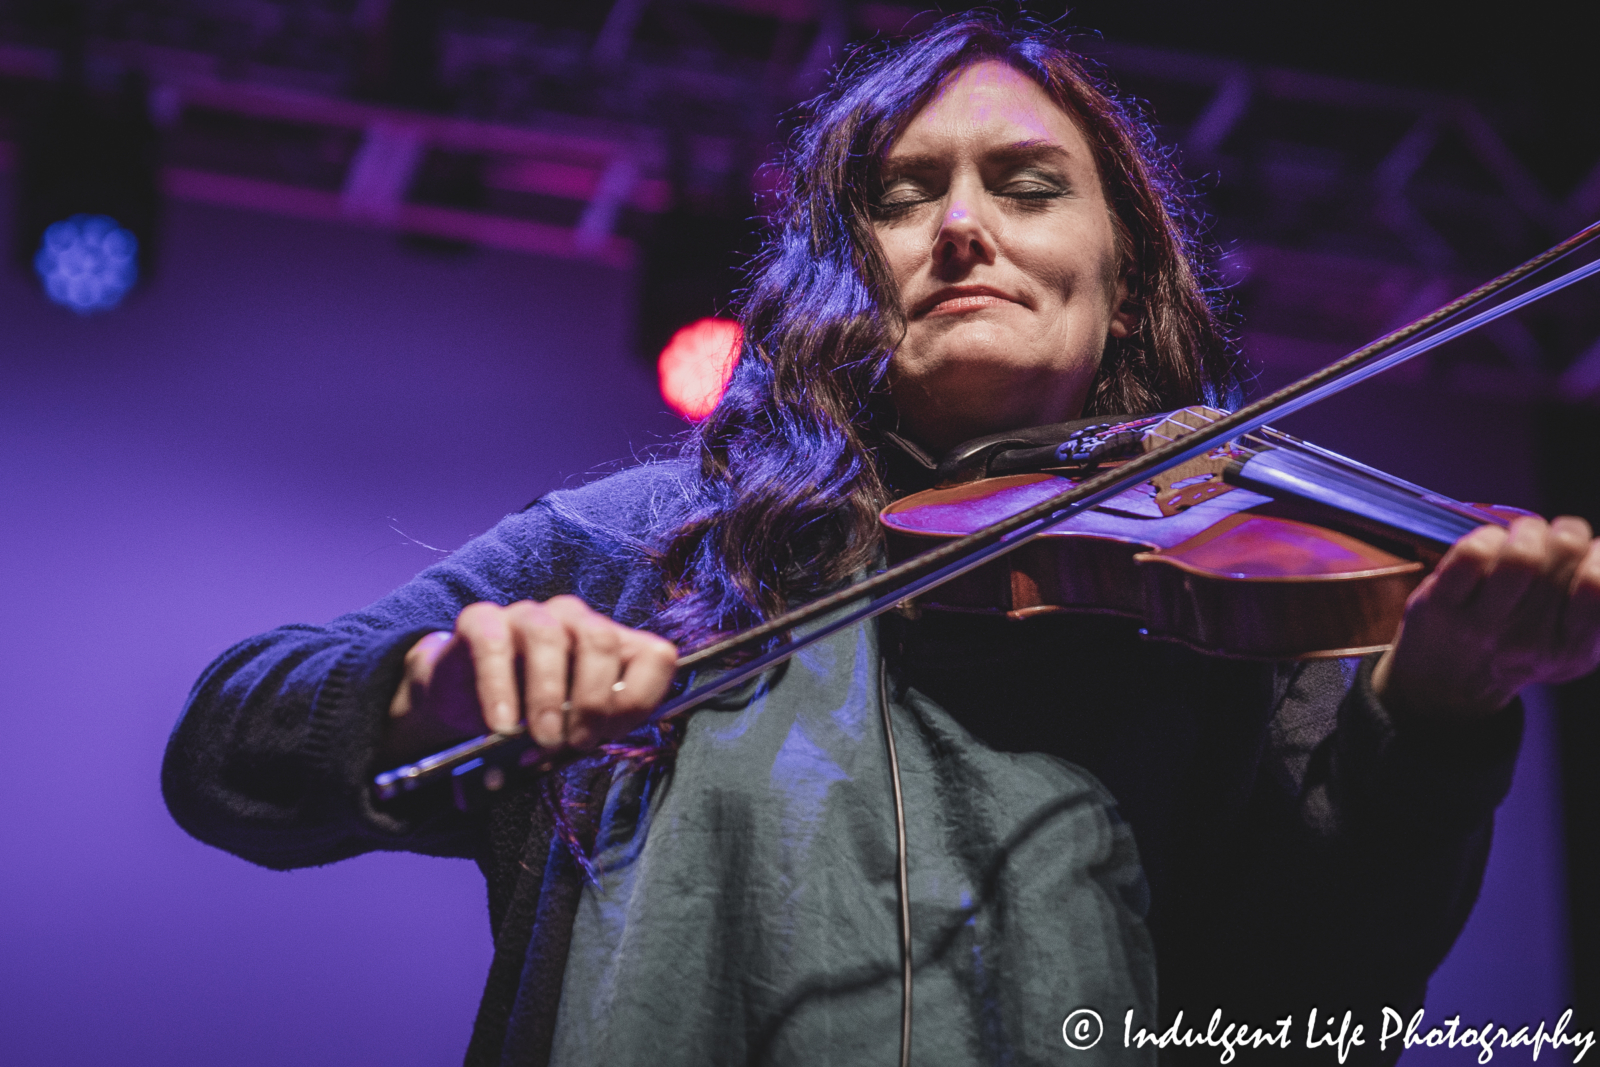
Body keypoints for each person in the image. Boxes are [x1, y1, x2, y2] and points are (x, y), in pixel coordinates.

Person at [162, 16, 1600, 1066]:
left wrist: (1435, 718)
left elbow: (1307, 1021)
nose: (962, 227)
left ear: (1121, 272)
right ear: (845, 276)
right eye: (902, 198)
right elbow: (225, 748)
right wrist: (426, 689)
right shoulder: (644, 543)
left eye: (1028, 187)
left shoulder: (1221, 595)